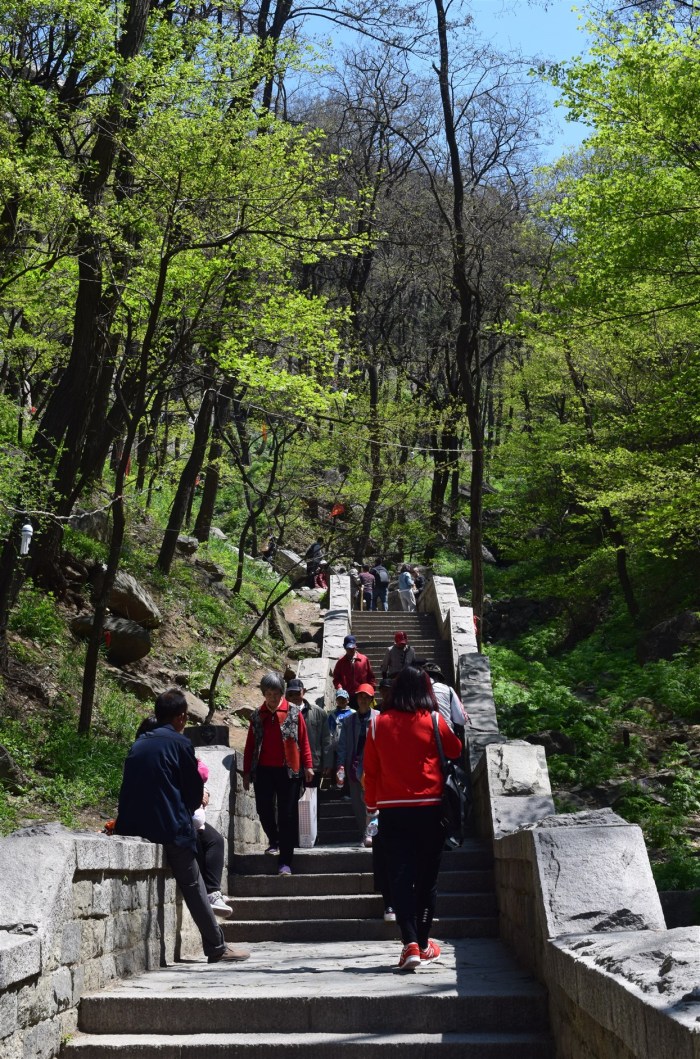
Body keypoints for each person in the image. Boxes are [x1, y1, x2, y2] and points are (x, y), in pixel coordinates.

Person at [115, 689, 249, 963]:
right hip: (169, 827)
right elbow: (192, 790)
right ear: (181, 717)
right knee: (193, 882)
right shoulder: (180, 743)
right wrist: (191, 810)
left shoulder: (139, 742)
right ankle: (216, 947)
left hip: (132, 825)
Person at [364, 666, 462, 971]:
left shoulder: (378, 723)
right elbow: (455, 750)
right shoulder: (433, 719)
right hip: (431, 810)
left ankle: (410, 945)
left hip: (393, 811)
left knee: (401, 879)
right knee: (427, 881)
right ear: (424, 690)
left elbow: (370, 771)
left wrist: (371, 806)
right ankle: (422, 942)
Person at [242, 671, 314, 877]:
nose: (272, 698)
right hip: (263, 770)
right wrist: (247, 772)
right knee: (263, 809)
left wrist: (308, 765)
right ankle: (274, 839)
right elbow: (250, 746)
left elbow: (304, 740)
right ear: (264, 694)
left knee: (288, 815)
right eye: (268, 694)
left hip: (289, 771)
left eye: (276, 694)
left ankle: (285, 862)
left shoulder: (293, 712)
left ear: (282, 693)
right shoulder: (257, 715)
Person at [337, 683, 379, 843]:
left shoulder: (378, 717)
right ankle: (365, 832)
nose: (363, 699)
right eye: (360, 696)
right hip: (354, 765)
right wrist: (340, 765)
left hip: (373, 765)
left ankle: (373, 834)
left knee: (373, 800)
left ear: (371, 699)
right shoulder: (348, 720)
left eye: (366, 697)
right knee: (356, 801)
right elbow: (342, 745)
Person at [285, 677, 332, 786]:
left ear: (304, 691)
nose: (294, 697)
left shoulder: (319, 713)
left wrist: (328, 762)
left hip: (313, 765)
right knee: (291, 801)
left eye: (297, 693)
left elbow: (326, 739)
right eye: (290, 694)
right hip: (290, 766)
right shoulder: (283, 713)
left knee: (309, 800)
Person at [422, 662, 467, 742]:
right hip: (445, 737)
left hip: (422, 737)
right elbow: (461, 720)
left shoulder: (414, 691)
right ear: (439, 678)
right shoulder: (448, 690)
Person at [332, 634, 376, 709]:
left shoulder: (364, 660)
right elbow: (336, 678)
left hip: (362, 695)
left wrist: (371, 690)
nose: (351, 650)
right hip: (347, 696)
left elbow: (371, 677)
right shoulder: (341, 662)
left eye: (353, 647)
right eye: (348, 648)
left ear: (356, 646)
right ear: (344, 647)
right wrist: (339, 688)